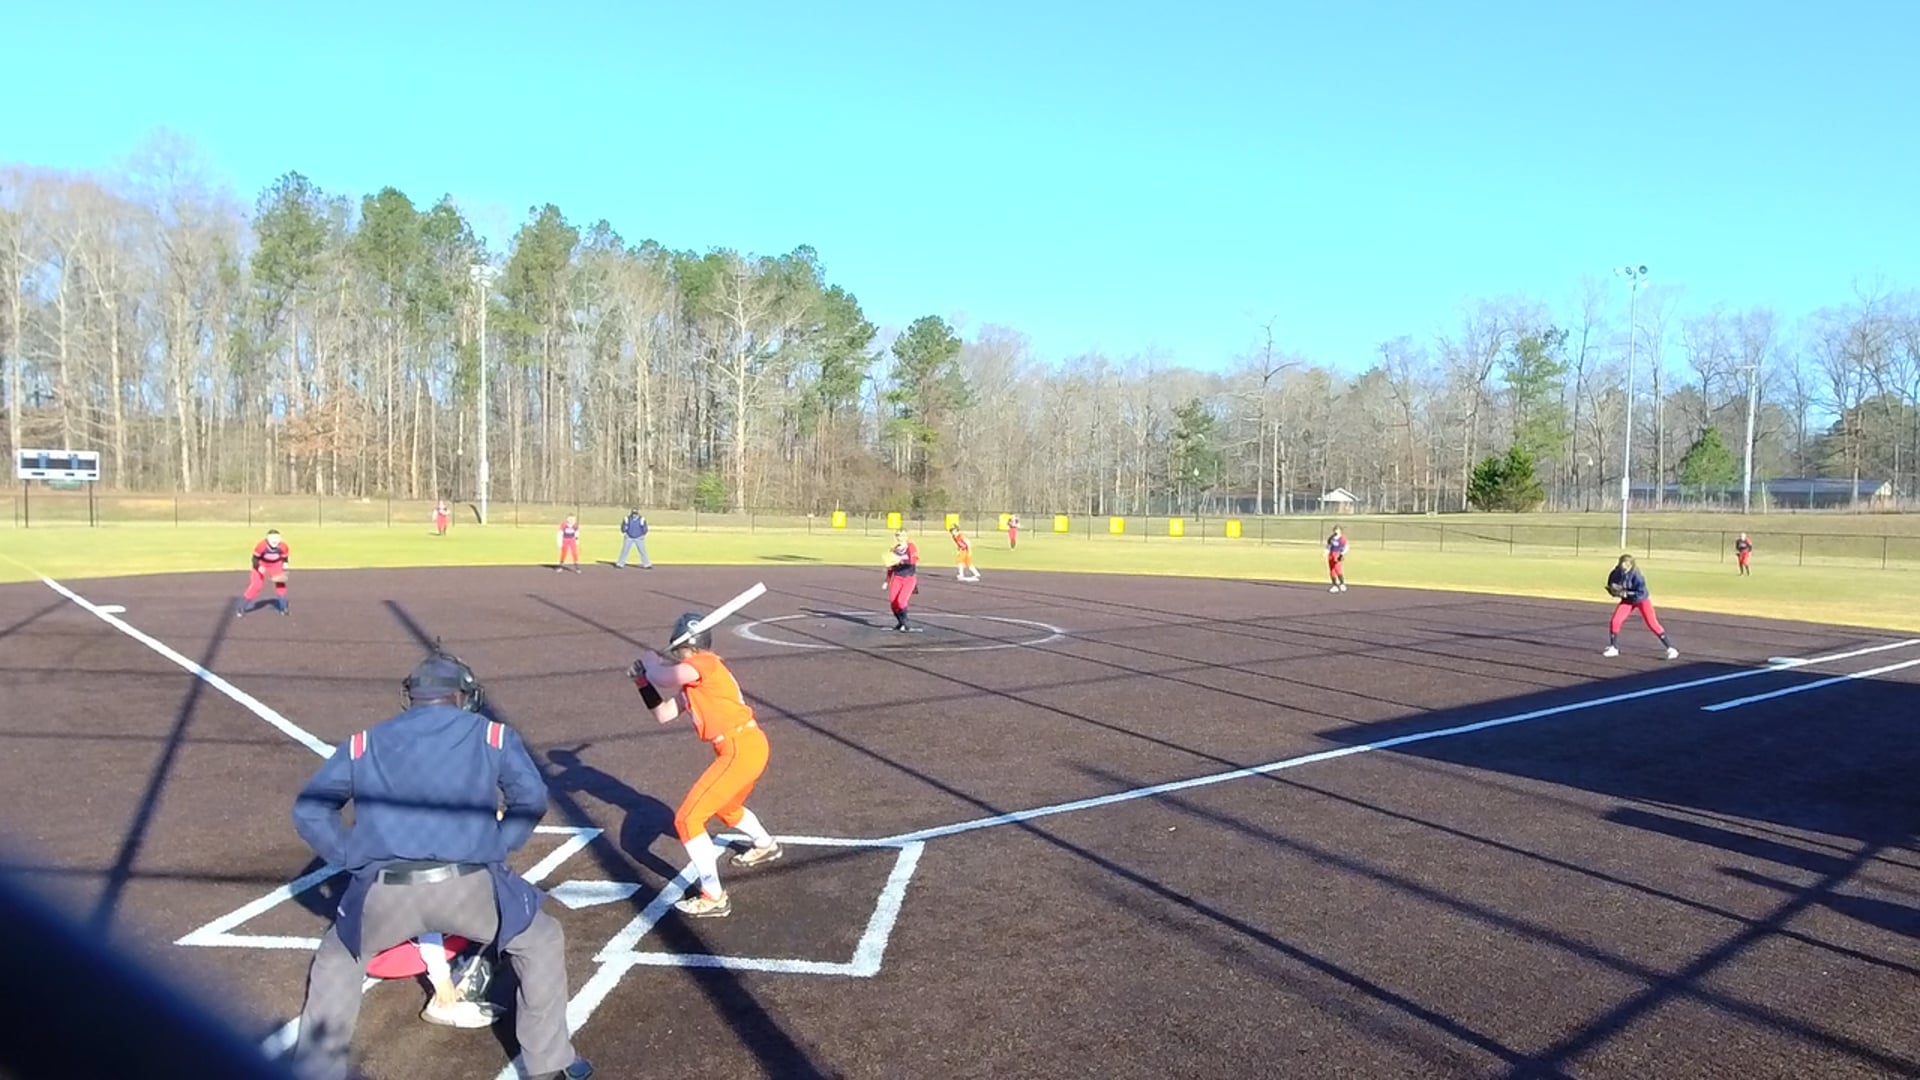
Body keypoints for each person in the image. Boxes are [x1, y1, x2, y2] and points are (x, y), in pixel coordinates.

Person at [287, 653, 592, 1080]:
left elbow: (310, 811)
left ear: (411, 697)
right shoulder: (492, 735)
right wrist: (499, 844)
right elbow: (531, 798)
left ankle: (317, 1072)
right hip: (470, 887)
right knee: (540, 939)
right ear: (463, 696)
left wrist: (352, 857)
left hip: (384, 892)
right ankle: (549, 1064)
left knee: (338, 958)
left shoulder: (364, 742)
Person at [631, 614, 782, 919]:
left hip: (740, 748)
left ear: (685, 644)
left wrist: (651, 663)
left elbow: (666, 677)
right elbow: (663, 714)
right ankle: (765, 844)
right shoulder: (693, 682)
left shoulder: (705, 663)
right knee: (728, 808)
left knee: (688, 820)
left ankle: (713, 896)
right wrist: (643, 682)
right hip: (744, 748)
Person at [1604, 554, 1678, 659]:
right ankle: (1613, 647)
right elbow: (1612, 585)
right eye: (1622, 564)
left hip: (1641, 600)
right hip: (1627, 601)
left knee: (1652, 624)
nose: (1624, 567)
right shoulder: (1616, 573)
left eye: (1626, 565)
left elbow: (1640, 593)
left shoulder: (1637, 576)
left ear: (1631, 565)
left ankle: (1670, 649)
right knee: (1615, 621)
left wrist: (1626, 593)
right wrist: (1613, 591)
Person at [236, 529, 291, 617]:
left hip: (276, 564)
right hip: (261, 563)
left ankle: (283, 608)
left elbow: (285, 558)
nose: (274, 541)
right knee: (256, 585)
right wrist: (258, 567)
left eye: (276, 539)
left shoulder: (283, 547)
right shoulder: (261, 546)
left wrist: (285, 564)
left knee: (280, 584)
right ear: (268, 539)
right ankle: (241, 608)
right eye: (272, 539)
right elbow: (254, 559)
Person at [885, 530, 922, 632]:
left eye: (902, 535)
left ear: (906, 536)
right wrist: (887, 580)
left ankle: (905, 624)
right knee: (893, 603)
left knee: (901, 601)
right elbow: (890, 567)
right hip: (897, 578)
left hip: (909, 578)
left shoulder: (910, 547)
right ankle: (900, 622)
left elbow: (912, 561)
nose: (900, 537)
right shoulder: (894, 550)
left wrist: (899, 560)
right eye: (897, 535)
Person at [1326, 527, 1348, 593]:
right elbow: (1328, 546)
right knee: (1332, 570)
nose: (1336, 531)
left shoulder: (1342, 539)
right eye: (1335, 530)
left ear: (1340, 531)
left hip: (1338, 554)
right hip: (1331, 554)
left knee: (1338, 569)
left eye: (1338, 530)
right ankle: (1334, 585)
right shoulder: (1331, 538)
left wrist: (1341, 555)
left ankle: (1342, 584)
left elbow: (1346, 547)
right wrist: (1325, 552)